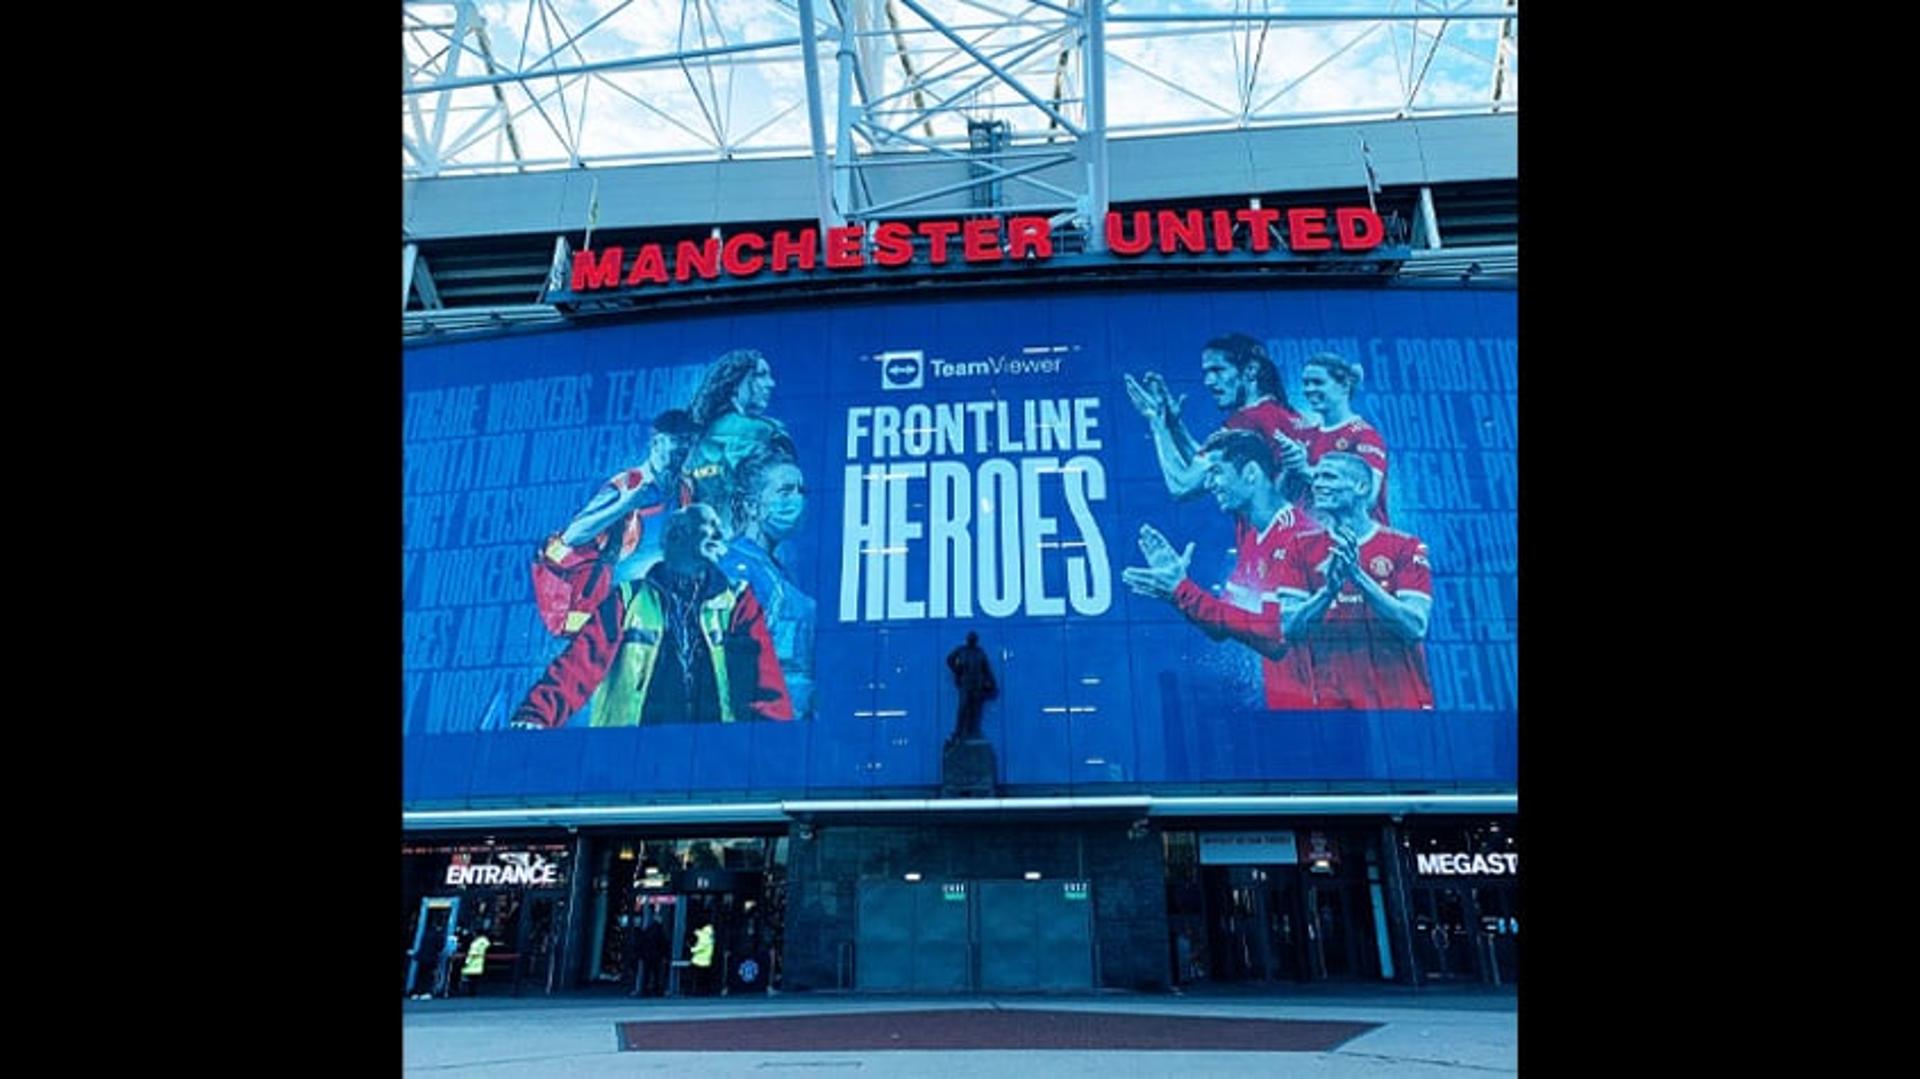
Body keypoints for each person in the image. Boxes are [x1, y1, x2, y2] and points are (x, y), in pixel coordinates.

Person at [508, 503, 794, 727]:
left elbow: (764, 684)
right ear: (677, 536)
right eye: (709, 526)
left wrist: (772, 744)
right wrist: (535, 716)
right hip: (630, 762)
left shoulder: (738, 602)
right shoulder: (627, 599)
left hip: (711, 761)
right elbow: (576, 668)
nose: (720, 536)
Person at [1121, 428, 1318, 709]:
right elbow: (1221, 625)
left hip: (1321, 707)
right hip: (1288, 706)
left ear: (1251, 472)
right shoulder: (1254, 539)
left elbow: (1275, 638)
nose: (1210, 484)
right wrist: (1177, 587)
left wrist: (1183, 592)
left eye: (1216, 472)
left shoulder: (1298, 536)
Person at [1274, 453, 1435, 709]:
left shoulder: (1405, 546)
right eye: (1315, 477)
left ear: (1361, 487)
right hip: (1333, 708)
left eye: (1328, 476)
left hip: (1401, 704)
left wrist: (1358, 577)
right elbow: (1288, 627)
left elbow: (1415, 626)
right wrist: (1328, 592)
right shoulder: (1298, 548)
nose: (1317, 484)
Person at [531, 408, 702, 637]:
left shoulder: (685, 489)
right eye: (678, 440)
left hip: (663, 608)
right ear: (656, 443)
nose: (684, 448)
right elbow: (573, 535)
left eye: (688, 441)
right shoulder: (627, 484)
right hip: (618, 611)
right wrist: (624, 505)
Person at [1123, 333, 1314, 502]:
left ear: (1251, 370)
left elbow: (1182, 485)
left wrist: (1157, 422)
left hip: (1275, 539)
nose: (1209, 382)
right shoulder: (1285, 414)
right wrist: (1174, 425)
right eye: (1206, 372)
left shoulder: (1246, 422)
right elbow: (1215, 462)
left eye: (1218, 370)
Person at [720, 447, 818, 718]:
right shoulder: (735, 567)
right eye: (785, 491)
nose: (797, 500)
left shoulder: (775, 570)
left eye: (801, 491)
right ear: (752, 505)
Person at [681, 350, 794, 511]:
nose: (771, 383)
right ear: (735, 383)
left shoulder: (694, 444)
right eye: (760, 375)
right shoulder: (769, 431)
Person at [1296, 353, 1391, 524]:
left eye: (1318, 382)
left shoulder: (1364, 436)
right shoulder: (1306, 435)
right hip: (1318, 540)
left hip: (1360, 543)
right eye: (1306, 383)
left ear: (1345, 386)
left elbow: (1368, 497)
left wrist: (1306, 471)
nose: (1309, 389)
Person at [945, 632, 998, 744]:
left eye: (973, 639)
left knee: (975, 710)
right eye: (970, 639)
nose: (972, 641)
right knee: (963, 708)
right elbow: (949, 660)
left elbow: (986, 669)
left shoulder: (980, 653)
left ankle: (973, 732)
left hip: (977, 685)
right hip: (965, 685)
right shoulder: (961, 650)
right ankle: (958, 732)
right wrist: (957, 671)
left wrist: (992, 684)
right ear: (967, 640)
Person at [639, 911, 669, 997]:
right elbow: (663, 944)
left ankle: (645, 990)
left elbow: (642, 942)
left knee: (647, 973)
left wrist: (642, 954)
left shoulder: (648, 930)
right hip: (656, 956)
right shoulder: (660, 931)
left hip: (647, 956)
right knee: (657, 974)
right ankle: (657, 990)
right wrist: (665, 955)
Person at [460, 928, 491, 996]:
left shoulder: (476, 943)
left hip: (472, 963)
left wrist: (466, 962)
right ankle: (473, 992)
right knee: (475, 980)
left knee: (470, 980)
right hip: (479, 963)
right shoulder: (485, 942)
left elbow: (472, 953)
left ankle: (470, 993)